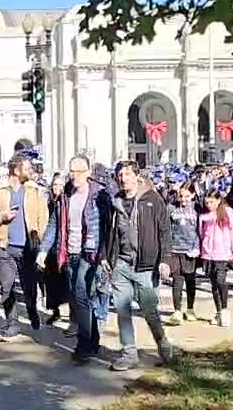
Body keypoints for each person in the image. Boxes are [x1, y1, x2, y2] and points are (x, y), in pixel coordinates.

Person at [38, 156, 112, 365]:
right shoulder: (65, 196)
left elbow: (108, 228)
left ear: (88, 172)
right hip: (68, 253)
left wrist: (105, 254)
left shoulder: (99, 195)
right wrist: (43, 250)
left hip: (90, 254)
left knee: (81, 296)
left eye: (78, 171)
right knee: (80, 298)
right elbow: (54, 224)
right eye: (71, 171)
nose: (74, 176)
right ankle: (93, 341)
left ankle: (83, 345)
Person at [105, 161, 176, 372]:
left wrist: (165, 260)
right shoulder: (115, 202)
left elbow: (165, 231)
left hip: (146, 266)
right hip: (122, 264)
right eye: (120, 174)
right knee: (122, 310)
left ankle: (163, 345)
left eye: (127, 174)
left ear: (136, 176)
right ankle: (129, 353)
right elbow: (109, 232)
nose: (122, 178)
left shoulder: (153, 200)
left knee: (149, 311)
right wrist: (105, 256)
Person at [0, 154, 49, 341]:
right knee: (6, 287)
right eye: (27, 168)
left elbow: (43, 218)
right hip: (4, 246)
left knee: (30, 288)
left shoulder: (35, 190)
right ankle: (12, 323)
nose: (31, 171)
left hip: (29, 247)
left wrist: (43, 245)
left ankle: (32, 311)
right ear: (16, 170)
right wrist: (1, 216)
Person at [199, 189, 233, 328]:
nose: (208, 205)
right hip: (208, 254)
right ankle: (218, 311)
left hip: (223, 254)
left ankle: (224, 310)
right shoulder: (203, 216)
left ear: (218, 200)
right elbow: (200, 233)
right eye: (206, 202)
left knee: (221, 281)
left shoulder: (228, 213)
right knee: (214, 285)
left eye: (211, 202)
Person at [163, 184, 202, 326]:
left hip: (191, 251)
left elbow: (200, 230)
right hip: (175, 250)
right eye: (181, 196)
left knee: (190, 280)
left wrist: (197, 248)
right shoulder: (171, 208)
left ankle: (190, 309)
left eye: (186, 196)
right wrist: (167, 249)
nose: (183, 199)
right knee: (177, 281)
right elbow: (166, 228)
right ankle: (177, 310)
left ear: (192, 195)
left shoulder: (197, 208)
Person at [42, 174, 69, 326]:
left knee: (65, 282)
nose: (56, 188)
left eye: (60, 185)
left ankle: (71, 314)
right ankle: (55, 311)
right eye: (54, 185)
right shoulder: (49, 203)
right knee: (51, 282)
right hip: (51, 248)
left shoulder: (67, 202)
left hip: (63, 247)